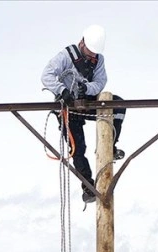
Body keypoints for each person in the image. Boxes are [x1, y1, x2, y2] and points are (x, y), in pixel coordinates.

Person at [41, 24, 126, 203]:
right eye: (89, 53)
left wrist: (86, 88)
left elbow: (101, 81)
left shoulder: (98, 59)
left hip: (87, 100)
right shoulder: (66, 56)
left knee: (117, 105)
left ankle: (110, 146)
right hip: (68, 106)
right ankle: (88, 187)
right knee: (78, 148)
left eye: (94, 54)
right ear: (82, 43)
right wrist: (62, 90)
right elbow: (47, 75)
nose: (92, 57)